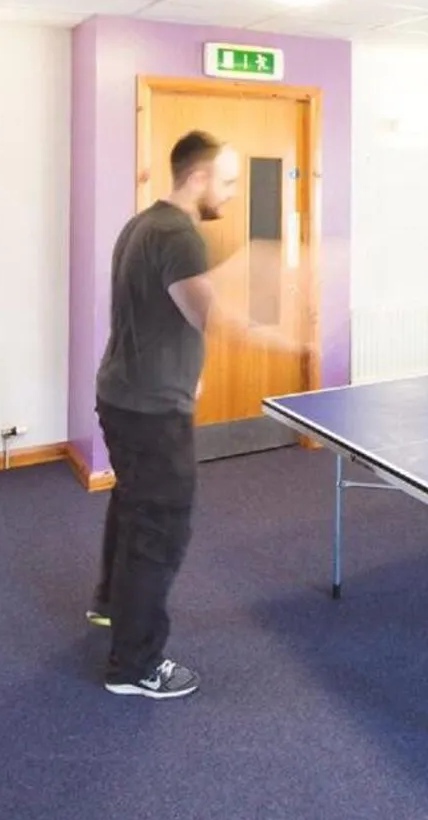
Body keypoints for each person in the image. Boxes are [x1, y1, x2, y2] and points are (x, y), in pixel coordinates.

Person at [87, 129, 298, 700]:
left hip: (122, 393)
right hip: (152, 409)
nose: (230, 195)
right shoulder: (180, 236)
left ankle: (111, 604)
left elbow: (156, 312)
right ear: (198, 177)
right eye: (227, 183)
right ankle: (135, 665)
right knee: (162, 528)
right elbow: (207, 313)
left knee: (132, 503)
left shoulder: (142, 223)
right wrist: (275, 331)